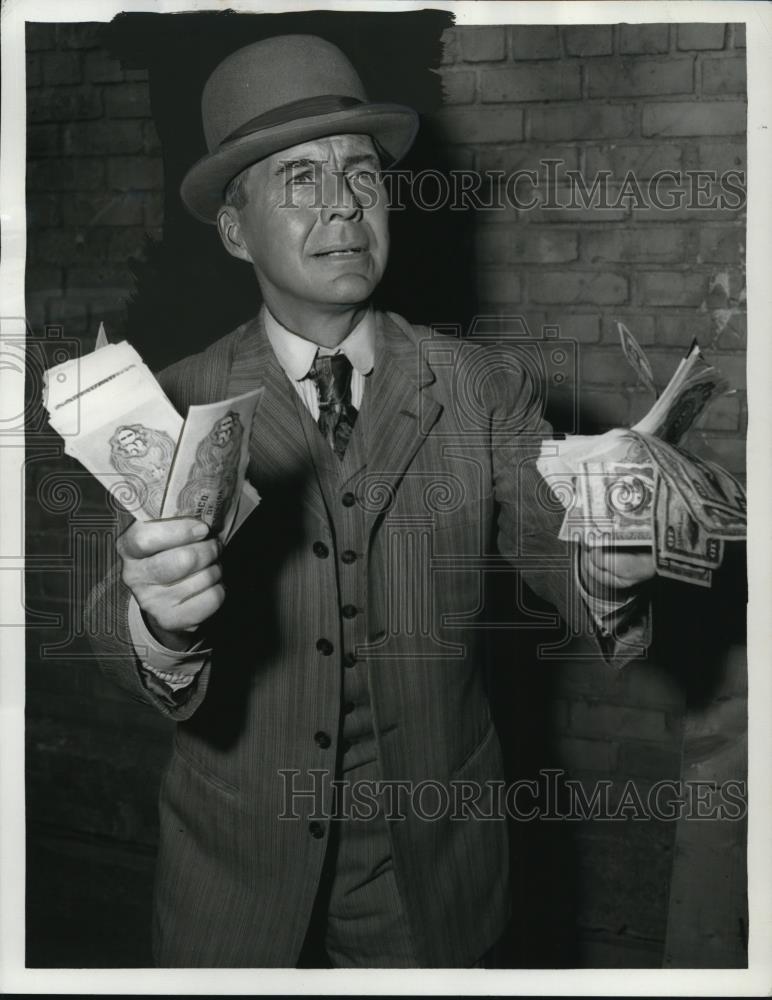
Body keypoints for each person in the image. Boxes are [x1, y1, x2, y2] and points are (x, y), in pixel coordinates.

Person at [86, 34, 654, 968]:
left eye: (361, 173)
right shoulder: (170, 403)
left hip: (431, 894)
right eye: (300, 179)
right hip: (237, 895)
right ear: (235, 231)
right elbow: (113, 626)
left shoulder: (480, 389)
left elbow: (570, 561)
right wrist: (160, 622)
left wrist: (614, 565)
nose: (345, 205)